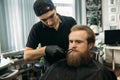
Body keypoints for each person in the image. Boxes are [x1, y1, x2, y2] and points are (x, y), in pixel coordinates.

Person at [40, 25, 117, 80]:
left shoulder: (100, 72)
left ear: (90, 45)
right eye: (71, 41)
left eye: (78, 42)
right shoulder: (56, 67)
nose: (73, 46)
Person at [24, 0, 76, 70]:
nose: (50, 23)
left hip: (71, 65)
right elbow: (27, 56)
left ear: (55, 9)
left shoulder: (70, 22)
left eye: (51, 16)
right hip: (52, 70)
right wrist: (45, 50)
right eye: (44, 20)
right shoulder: (37, 29)